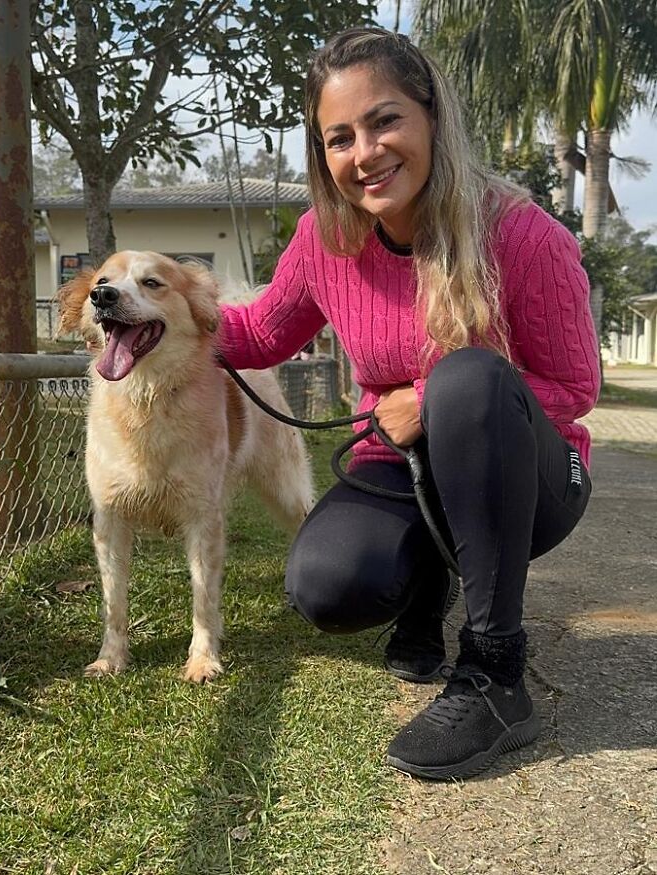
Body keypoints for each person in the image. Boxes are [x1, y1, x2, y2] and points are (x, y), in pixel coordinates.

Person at [218, 27, 600, 781]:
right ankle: (429, 583)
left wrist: (430, 397)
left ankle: (495, 672)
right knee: (326, 586)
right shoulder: (323, 241)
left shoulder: (522, 235)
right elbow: (261, 332)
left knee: (468, 378)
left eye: (385, 120)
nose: (366, 152)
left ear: (430, 117)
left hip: (533, 479)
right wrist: (158, 314)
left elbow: (573, 390)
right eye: (340, 137)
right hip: (399, 464)